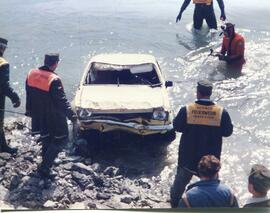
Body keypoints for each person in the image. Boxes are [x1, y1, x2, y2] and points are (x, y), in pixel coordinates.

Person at [170, 79, 233, 207]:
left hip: (187, 159)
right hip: (210, 162)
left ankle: (176, 206)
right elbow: (227, 132)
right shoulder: (221, 112)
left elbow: (177, 127)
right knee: (212, 188)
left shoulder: (187, 110)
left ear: (198, 93)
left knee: (178, 188)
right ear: (210, 93)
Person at [26, 53, 77, 178]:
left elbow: (29, 94)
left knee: (46, 138)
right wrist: (72, 116)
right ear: (56, 63)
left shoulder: (31, 74)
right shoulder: (53, 79)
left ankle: (46, 161)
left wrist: (29, 111)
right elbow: (62, 101)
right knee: (61, 139)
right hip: (54, 116)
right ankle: (45, 168)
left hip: (39, 115)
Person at [0, 37, 21, 154]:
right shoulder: (3, 63)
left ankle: (3, 145)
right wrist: (15, 98)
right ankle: (3, 147)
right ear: (3, 48)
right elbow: (4, 85)